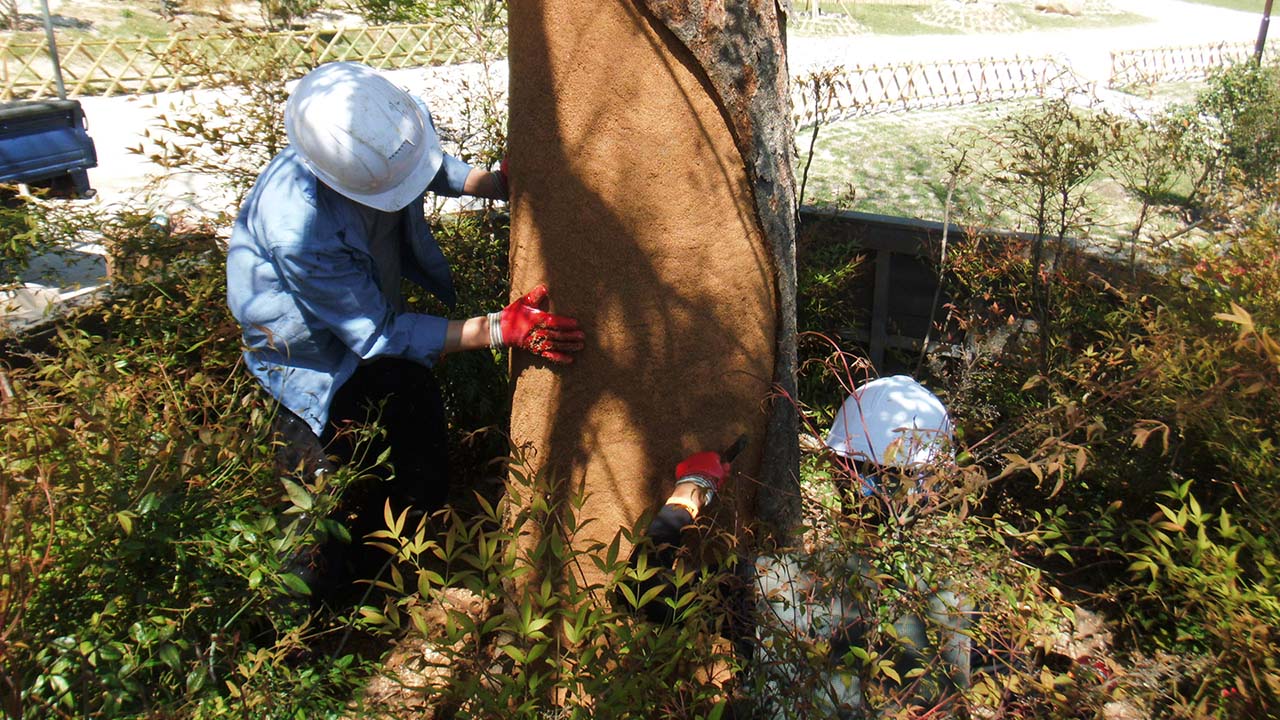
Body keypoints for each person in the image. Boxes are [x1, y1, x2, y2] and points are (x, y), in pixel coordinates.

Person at [225, 61, 585, 599]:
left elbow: (420, 167)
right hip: (309, 366)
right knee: (326, 504)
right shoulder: (300, 229)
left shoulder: (378, 129)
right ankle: (322, 626)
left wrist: (495, 182)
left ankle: (414, 571)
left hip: (375, 333)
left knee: (418, 444)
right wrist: (499, 328)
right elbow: (377, 333)